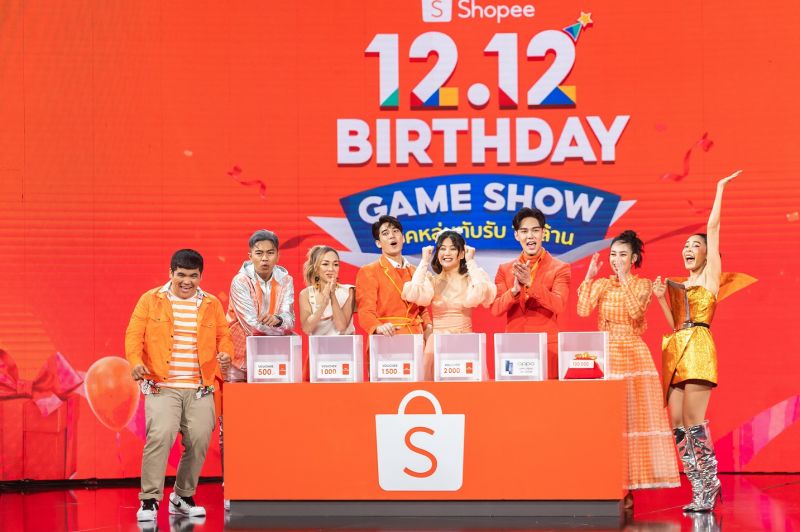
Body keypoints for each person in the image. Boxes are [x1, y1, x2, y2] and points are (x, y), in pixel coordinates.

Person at [653, 170, 742, 512]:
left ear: (708, 254)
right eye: (686, 246)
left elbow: (714, 228)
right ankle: (699, 488)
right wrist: (661, 299)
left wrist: (719, 188)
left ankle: (710, 483)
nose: (689, 249)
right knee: (677, 423)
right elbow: (675, 326)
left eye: (696, 245)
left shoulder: (709, 277)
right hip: (678, 347)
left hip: (700, 348)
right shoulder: (679, 284)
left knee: (693, 420)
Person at [125, 249, 232, 521]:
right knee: (160, 436)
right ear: (171, 273)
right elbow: (134, 335)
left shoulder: (211, 303)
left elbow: (224, 335)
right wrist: (135, 362)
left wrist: (225, 353)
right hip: (162, 385)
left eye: (193, 276)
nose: (187, 281)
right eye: (181, 275)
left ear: (201, 276)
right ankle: (149, 500)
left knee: (199, 439)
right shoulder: (151, 300)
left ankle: (182, 496)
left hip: (200, 387)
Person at [577, 230, 680, 509]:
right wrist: (589, 277)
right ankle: (606, 481)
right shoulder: (602, 284)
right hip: (606, 352)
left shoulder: (642, 284)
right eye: (613, 254)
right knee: (607, 419)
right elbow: (583, 310)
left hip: (633, 354)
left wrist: (624, 279)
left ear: (633, 258)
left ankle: (630, 487)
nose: (616, 259)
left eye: (622, 255)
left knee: (632, 420)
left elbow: (636, 313)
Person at [402, 230, 496, 379]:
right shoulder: (432, 280)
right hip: (437, 343)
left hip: (464, 341)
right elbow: (413, 293)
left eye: (452, 248)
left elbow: (481, 293)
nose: (447, 253)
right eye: (442, 248)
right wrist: (424, 261)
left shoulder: (471, 279)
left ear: (461, 253)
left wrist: (471, 262)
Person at [491, 207, 571, 379]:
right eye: (524, 231)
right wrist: (514, 291)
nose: (530, 236)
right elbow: (496, 309)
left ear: (543, 233)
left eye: (535, 230)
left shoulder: (560, 268)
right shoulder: (505, 270)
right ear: (516, 235)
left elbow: (559, 305)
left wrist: (531, 283)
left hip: (547, 349)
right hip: (514, 349)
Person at [226, 229, 295, 381]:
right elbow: (252, 326)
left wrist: (279, 320)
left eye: (270, 253)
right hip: (238, 359)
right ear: (250, 256)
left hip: (272, 357)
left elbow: (290, 319)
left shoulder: (286, 280)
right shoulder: (240, 281)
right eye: (259, 253)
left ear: (278, 255)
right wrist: (282, 330)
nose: (265, 258)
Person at [355, 215, 432, 338]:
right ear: (378, 243)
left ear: (403, 238)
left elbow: (422, 308)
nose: (392, 236)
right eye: (385, 233)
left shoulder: (416, 271)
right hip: (388, 338)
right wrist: (377, 327)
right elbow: (365, 311)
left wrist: (428, 326)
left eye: (395, 231)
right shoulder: (369, 271)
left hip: (416, 338)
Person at [299, 245, 356, 335]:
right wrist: (324, 303)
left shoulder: (349, 291)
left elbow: (341, 327)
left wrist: (332, 295)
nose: (331, 269)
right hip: (318, 344)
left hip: (345, 343)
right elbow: (306, 328)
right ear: (316, 268)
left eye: (335, 264)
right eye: (325, 264)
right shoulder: (306, 294)